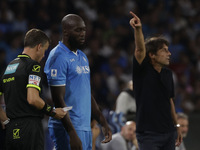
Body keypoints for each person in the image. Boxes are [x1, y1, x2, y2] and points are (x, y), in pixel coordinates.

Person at [44, 14, 112, 150]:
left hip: (84, 125)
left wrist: (102, 120)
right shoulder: (58, 56)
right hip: (68, 126)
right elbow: (58, 99)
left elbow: (86, 91)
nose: (83, 34)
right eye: (78, 30)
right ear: (65, 31)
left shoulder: (82, 56)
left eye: (84, 30)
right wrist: (71, 133)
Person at [0, 28, 67, 150]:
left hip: (11, 131)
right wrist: (52, 112)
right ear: (39, 47)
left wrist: (5, 121)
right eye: (45, 50)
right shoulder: (33, 66)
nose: (43, 55)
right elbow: (32, 99)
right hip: (30, 129)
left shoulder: (9, 67)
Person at [129, 11, 182, 150]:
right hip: (148, 134)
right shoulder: (142, 71)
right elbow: (140, 49)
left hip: (169, 133)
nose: (169, 53)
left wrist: (177, 126)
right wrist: (138, 29)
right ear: (152, 55)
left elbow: (169, 100)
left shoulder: (168, 74)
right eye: (164, 50)